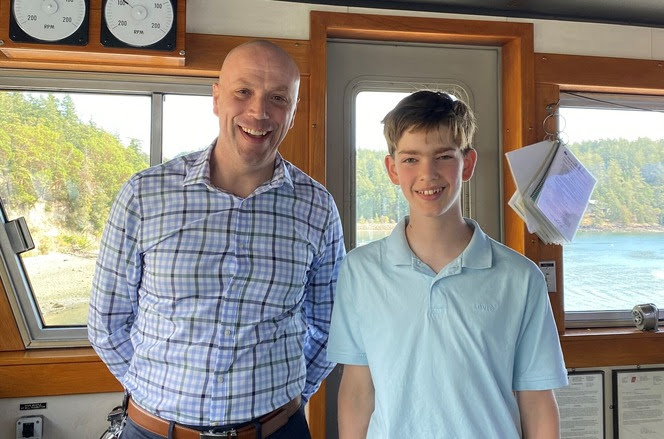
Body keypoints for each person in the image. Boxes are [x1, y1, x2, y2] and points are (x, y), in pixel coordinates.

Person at [89, 40, 345, 439]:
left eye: (278, 98)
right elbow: (106, 323)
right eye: (243, 92)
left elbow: (329, 326)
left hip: (278, 431)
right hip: (153, 431)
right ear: (216, 97)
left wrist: (288, 396)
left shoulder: (317, 208)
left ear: (293, 113)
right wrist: (154, 396)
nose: (259, 112)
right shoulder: (144, 194)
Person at [327, 90, 568, 438]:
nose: (428, 174)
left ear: (467, 164)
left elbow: (536, 400)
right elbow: (357, 391)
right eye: (411, 159)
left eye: (442, 156)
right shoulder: (359, 270)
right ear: (392, 169)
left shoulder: (520, 277)